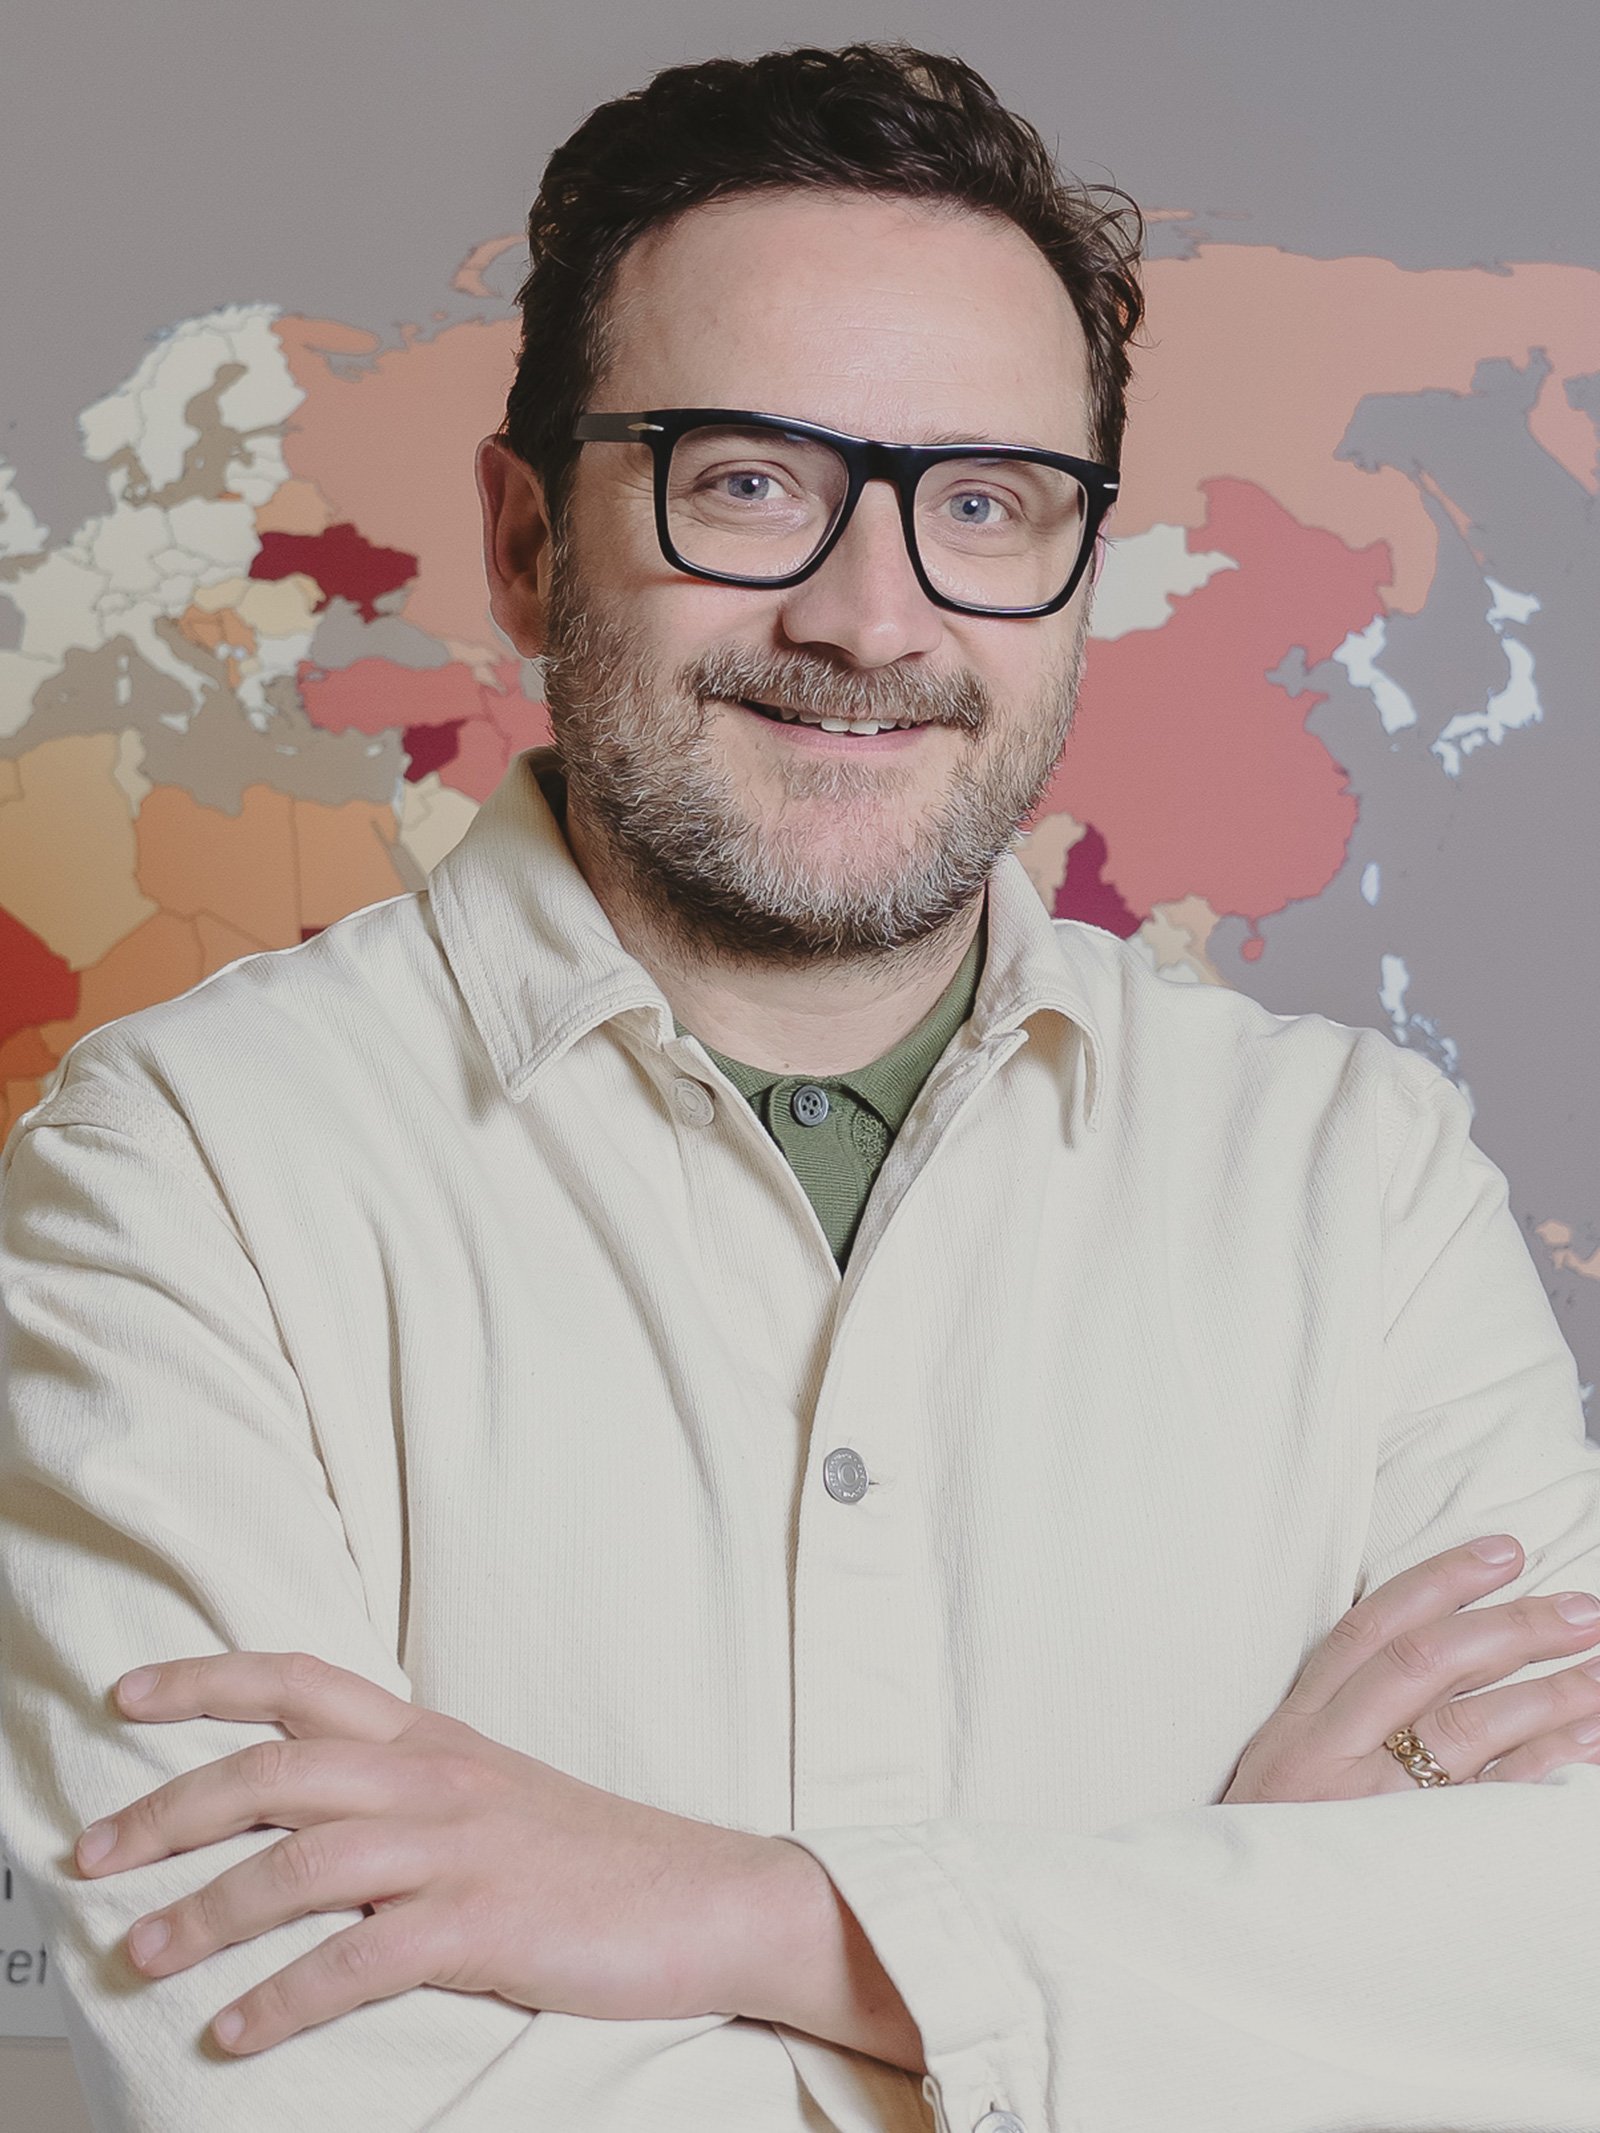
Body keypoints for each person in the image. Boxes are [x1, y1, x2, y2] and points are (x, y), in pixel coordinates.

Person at [4, 41, 1600, 2133]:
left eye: (983, 503)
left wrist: (758, 1916)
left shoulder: (1356, 1180)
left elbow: (1549, 1984)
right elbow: (268, 2083)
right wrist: (1211, 1943)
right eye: (744, 477)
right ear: (518, 539)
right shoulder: (178, 1171)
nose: (871, 616)